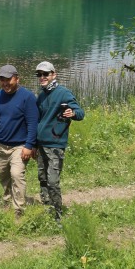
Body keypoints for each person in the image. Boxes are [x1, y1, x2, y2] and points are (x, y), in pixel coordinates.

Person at [34, 61, 85, 221]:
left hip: (55, 145)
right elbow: (37, 120)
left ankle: (57, 214)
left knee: (53, 181)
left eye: (45, 74)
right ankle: (47, 206)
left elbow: (80, 112)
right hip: (40, 144)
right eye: (39, 74)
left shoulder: (63, 93)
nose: (42, 77)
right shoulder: (41, 95)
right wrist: (34, 144)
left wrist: (72, 113)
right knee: (42, 178)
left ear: (53, 74)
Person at [0, 64, 38, 217]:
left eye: (8, 80)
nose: (5, 83)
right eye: (2, 80)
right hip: (1, 145)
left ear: (17, 79)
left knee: (16, 175)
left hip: (20, 146)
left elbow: (33, 123)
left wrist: (29, 145)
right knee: (3, 175)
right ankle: (7, 200)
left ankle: (19, 209)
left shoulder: (27, 97)